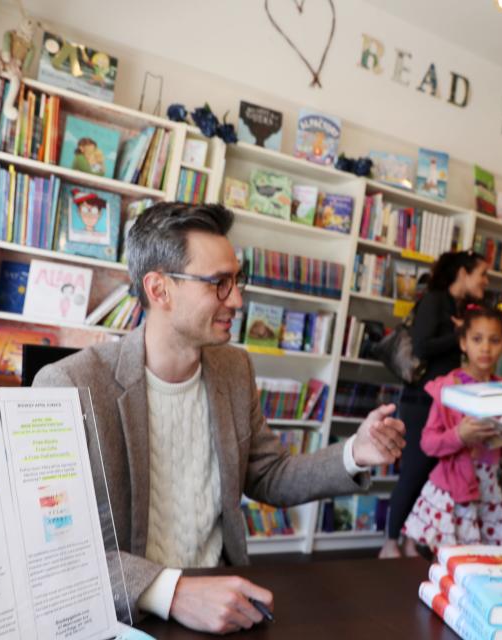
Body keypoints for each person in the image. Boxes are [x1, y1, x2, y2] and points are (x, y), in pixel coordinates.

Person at [33, 202, 406, 635]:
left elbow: (269, 473)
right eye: (219, 284)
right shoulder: (69, 386)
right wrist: (172, 592)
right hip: (128, 614)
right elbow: (56, 547)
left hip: (222, 602)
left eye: (237, 280)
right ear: (159, 290)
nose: (239, 299)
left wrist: (355, 453)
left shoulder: (234, 369)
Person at [379, 249, 489, 558]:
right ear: (463, 273)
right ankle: (389, 544)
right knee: (414, 472)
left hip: (442, 402)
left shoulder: (456, 305)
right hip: (422, 401)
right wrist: (460, 334)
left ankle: (410, 539)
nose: (485, 281)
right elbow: (423, 345)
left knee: (431, 476)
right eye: (481, 273)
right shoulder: (435, 299)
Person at [401, 303, 502, 554]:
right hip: (451, 488)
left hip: (487, 488)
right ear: (463, 343)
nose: (486, 348)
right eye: (477, 339)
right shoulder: (449, 388)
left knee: (484, 558)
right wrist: (460, 435)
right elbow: (428, 443)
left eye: (495, 340)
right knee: (451, 558)